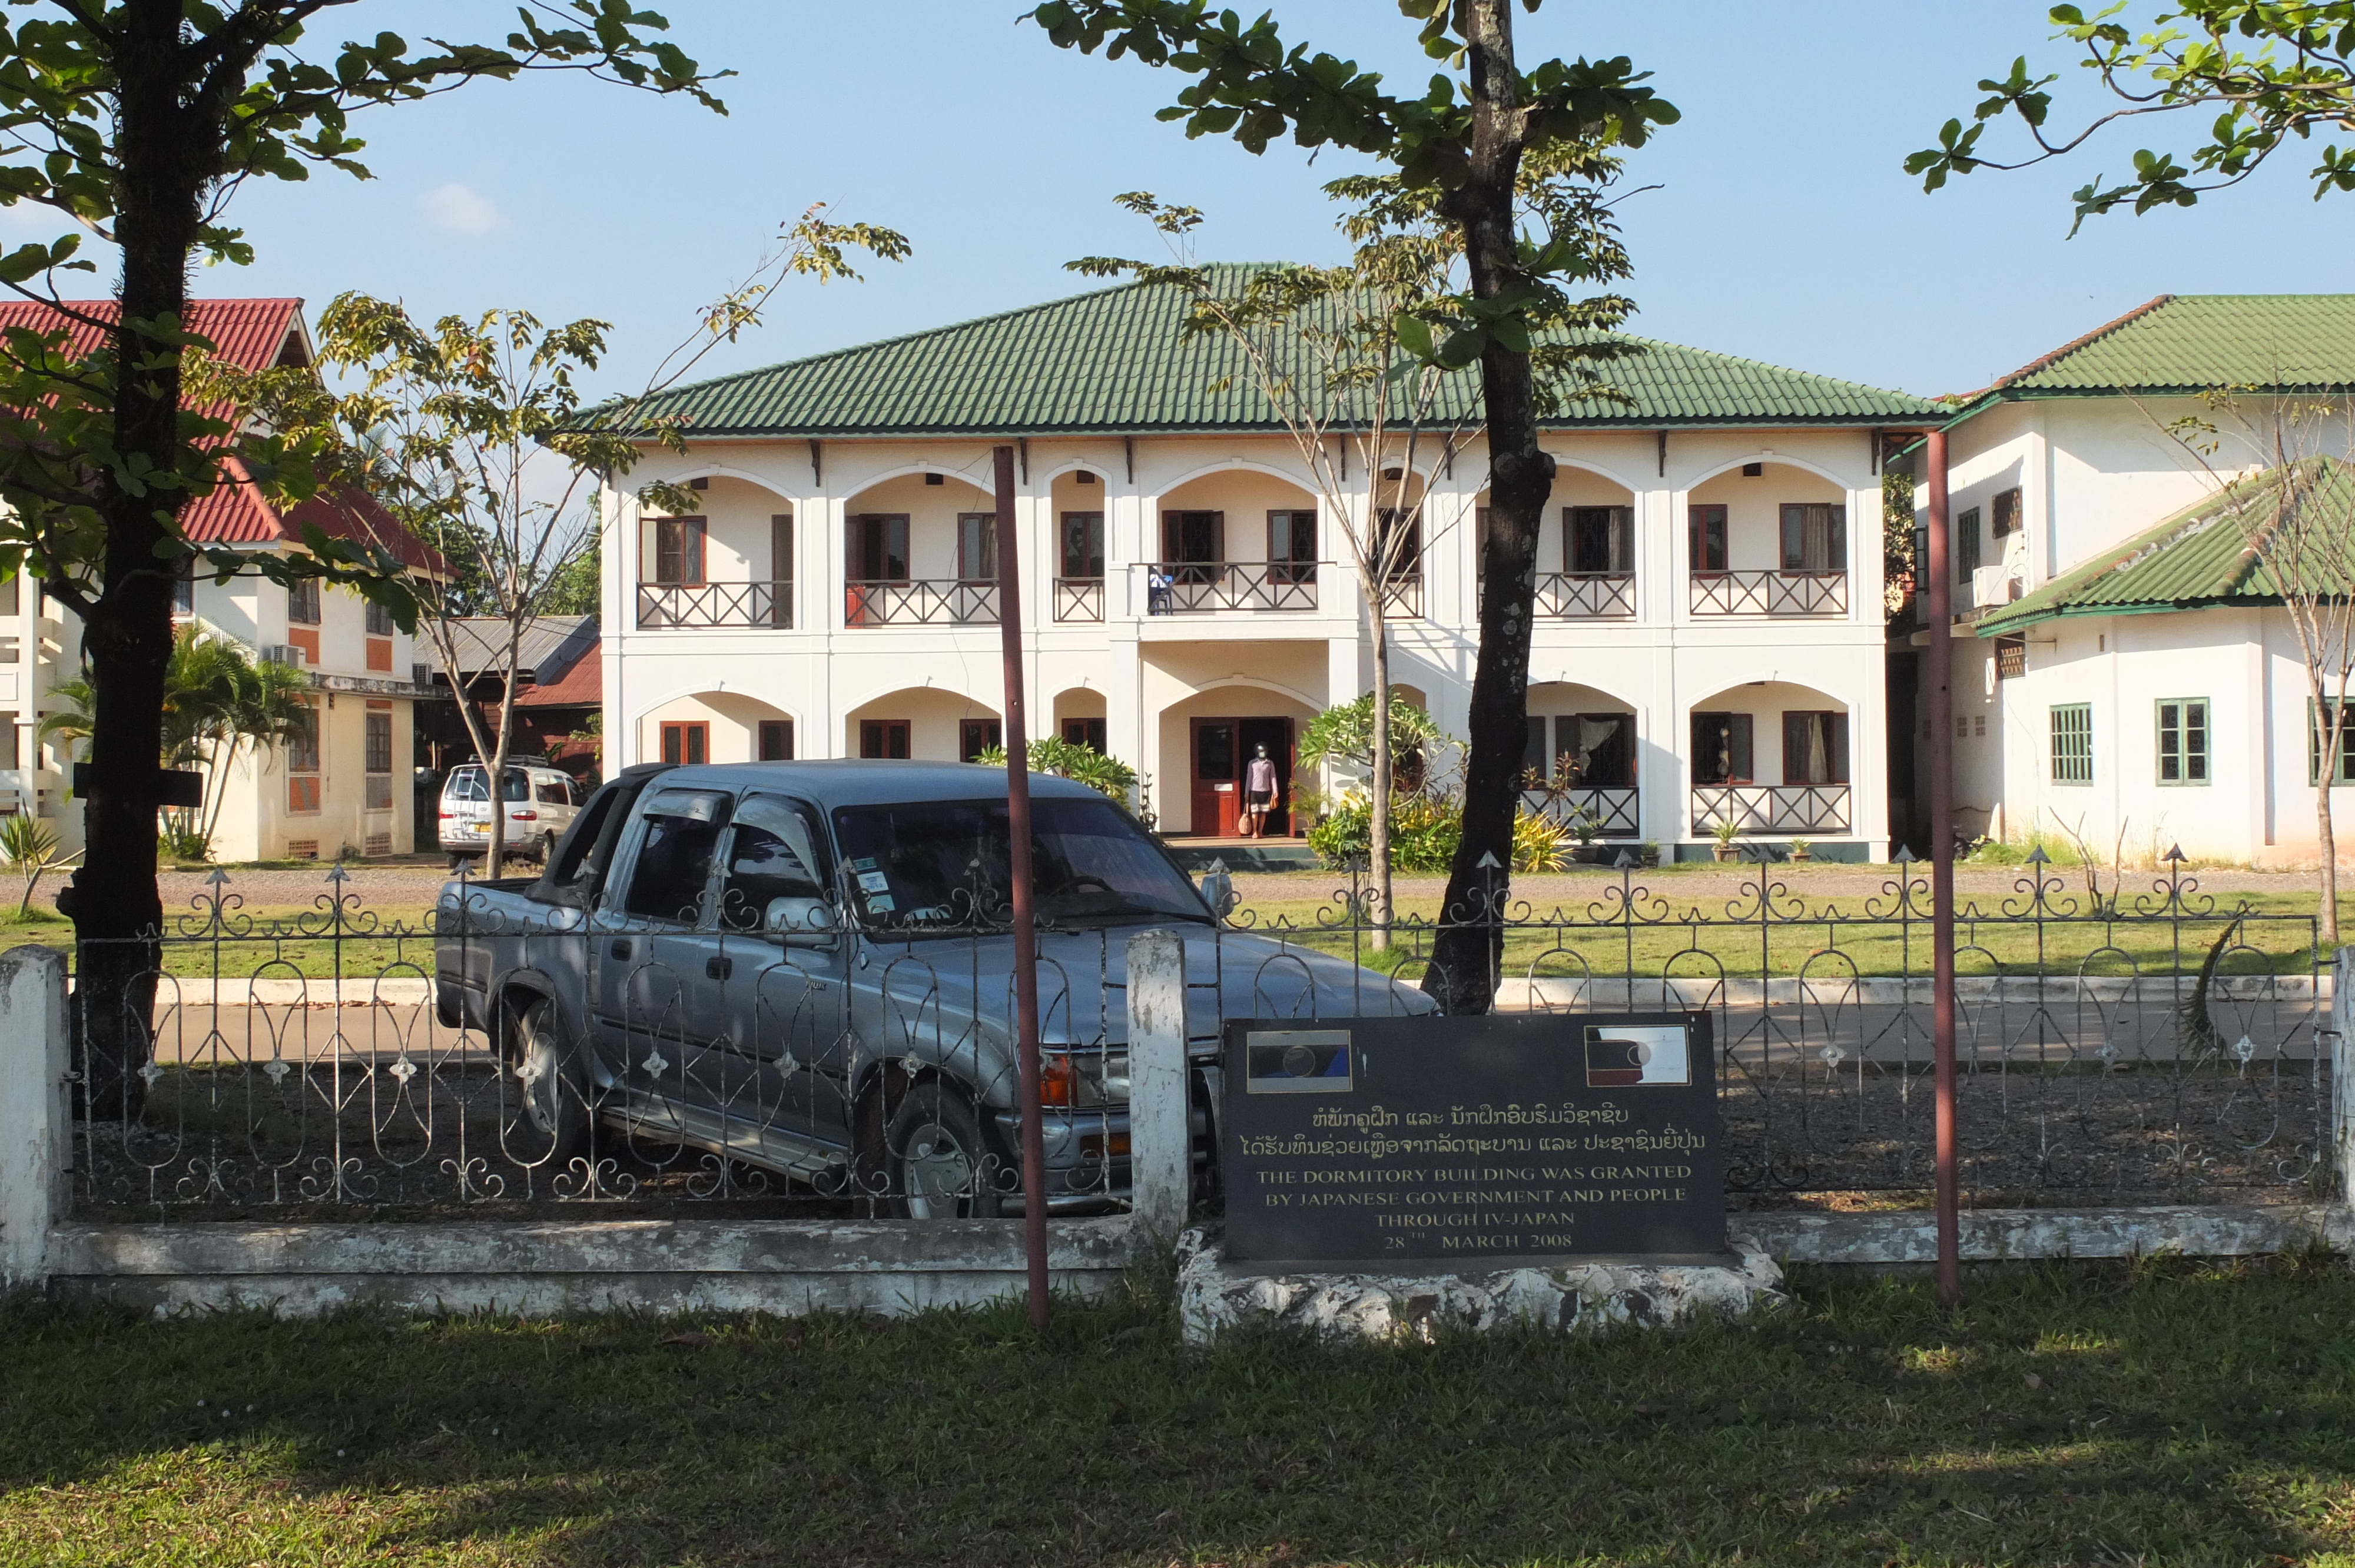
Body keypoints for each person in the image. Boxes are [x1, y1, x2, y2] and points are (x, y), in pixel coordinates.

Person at [1242, 743, 1278, 838]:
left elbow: (1273, 776)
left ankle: (1261, 831)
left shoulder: (1270, 763)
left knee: (1263, 812)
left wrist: (1275, 790)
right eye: (1260, 751)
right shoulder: (1252, 763)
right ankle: (1254, 831)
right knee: (1255, 812)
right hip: (1254, 790)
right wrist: (1246, 792)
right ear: (1257, 752)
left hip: (1266, 790)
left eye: (1264, 751)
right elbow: (1249, 777)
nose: (1262, 753)